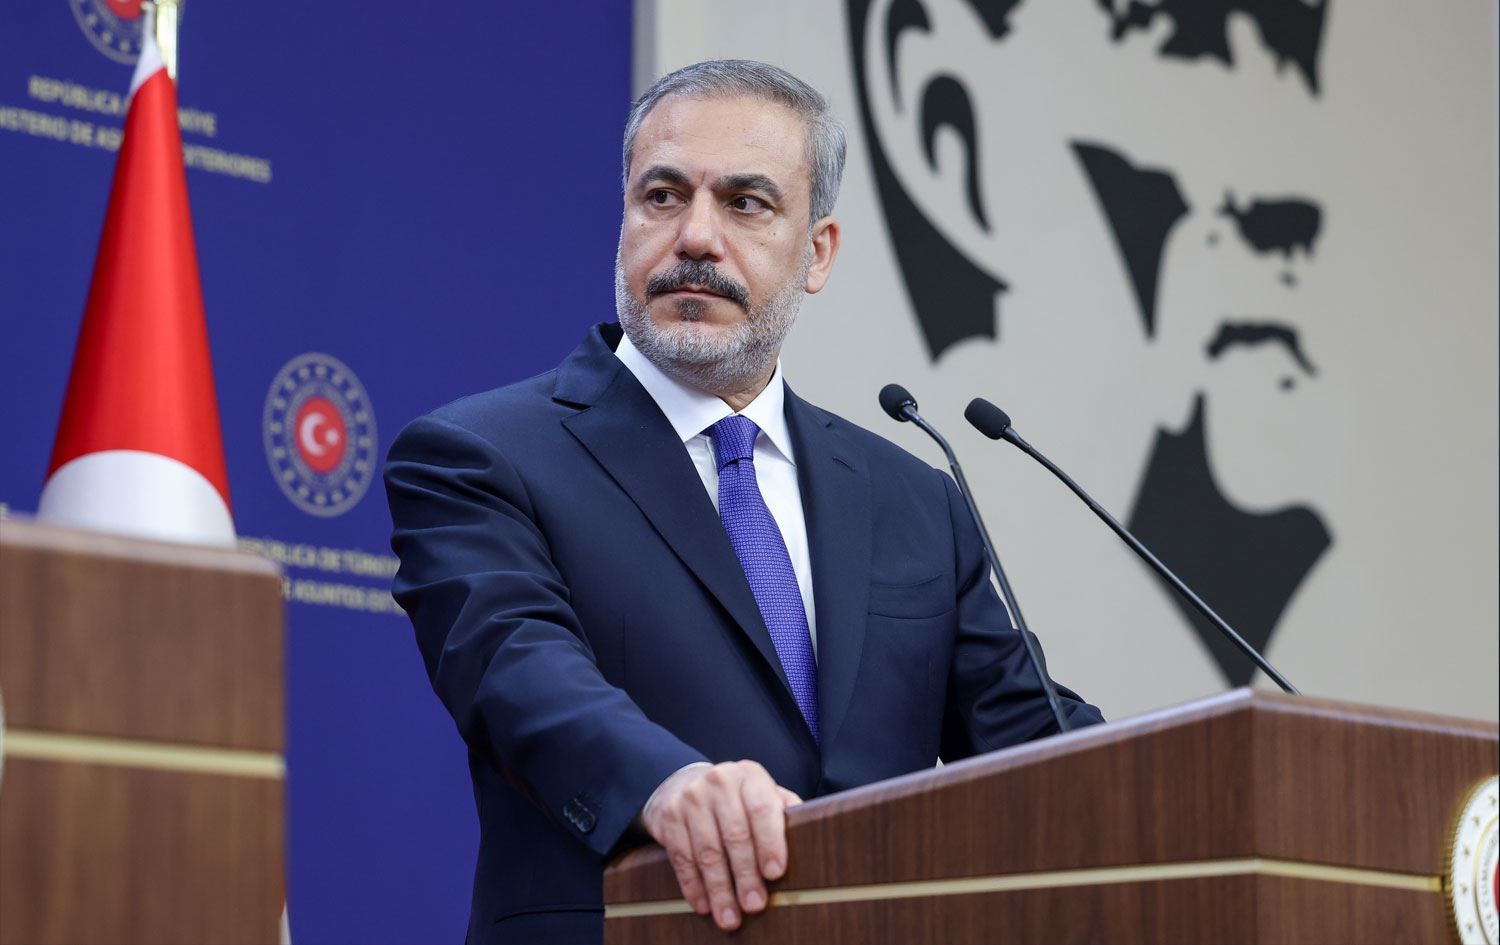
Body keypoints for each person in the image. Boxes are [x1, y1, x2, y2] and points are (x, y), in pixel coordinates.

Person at [384, 59, 1101, 945]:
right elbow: (518, 671)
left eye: (745, 203)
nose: (695, 236)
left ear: (818, 252)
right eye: (662, 196)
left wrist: (1210, 771)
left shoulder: (915, 499)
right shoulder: (480, 455)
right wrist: (668, 783)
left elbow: (1038, 742)